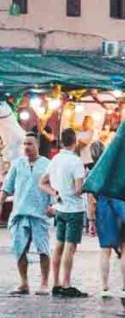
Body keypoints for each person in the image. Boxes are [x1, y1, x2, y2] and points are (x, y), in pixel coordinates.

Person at [39, 127, 88, 298]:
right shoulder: (76, 162)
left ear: (61, 142)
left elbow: (42, 182)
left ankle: (56, 283)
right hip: (74, 209)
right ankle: (67, 284)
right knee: (70, 247)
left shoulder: (55, 159)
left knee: (59, 245)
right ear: (75, 141)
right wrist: (88, 183)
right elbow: (78, 190)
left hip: (60, 207)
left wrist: (55, 193)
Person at [0, 132, 52, 295]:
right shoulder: (17, 164)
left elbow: (54, 186)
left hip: (40, 214)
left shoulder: (47, 165)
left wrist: (53, 206)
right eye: (25, 144)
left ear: (37, 145)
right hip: (20, 214)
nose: (27, 147)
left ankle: (44, 283)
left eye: (30, 144)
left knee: (43, 249)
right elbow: (7, 188)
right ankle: (24, 283)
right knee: (20, 249)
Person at [85, 141, 125, 298]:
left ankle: (105, 287)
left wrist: (91, 221)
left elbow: (91, 200)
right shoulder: (118, 169)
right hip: (120, 208)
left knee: (105, 250)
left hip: (103, 211)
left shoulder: (93, 173)